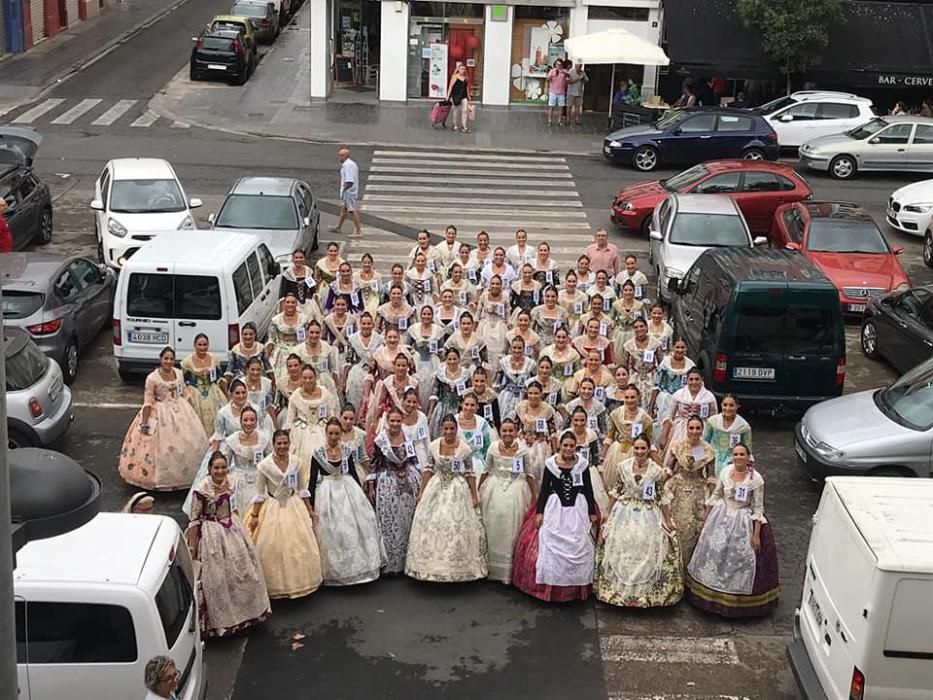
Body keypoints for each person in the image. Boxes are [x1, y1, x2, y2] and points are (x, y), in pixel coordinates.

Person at [686, 443, 780, 618]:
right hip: (721, 517)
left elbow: (758, 508)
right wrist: (706, 518)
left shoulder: (755, 479)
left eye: (741, 454)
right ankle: (709, 597)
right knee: (713, 556)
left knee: (737, 561)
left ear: (748, 457)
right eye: (736, 454)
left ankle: (736, 602)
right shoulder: (726, 472)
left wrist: (756, 534)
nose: (738, 457)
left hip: (742, 521)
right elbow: (716, 494)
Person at [187, 452, 271, 637]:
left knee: (246, 571)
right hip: (212, 534)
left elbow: (233, 507)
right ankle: (222, 622)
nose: (220, 471)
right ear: (209, 469)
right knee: (217, 579)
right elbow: (194, 519)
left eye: (223, 467)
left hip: (232, 528)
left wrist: (240, 527)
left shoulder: (232, 482)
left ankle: (247, 614)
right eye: (216, 468)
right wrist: (192, 547)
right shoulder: (202, 489)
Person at [595, 434, 683, 608]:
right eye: (637, 448)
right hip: (625, 510)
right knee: (619, 540)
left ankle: (645, 594)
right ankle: (618, 593)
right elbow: (616, 491)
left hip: (648, 511)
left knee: (647, 542)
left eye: (643, 448)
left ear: (649, 450)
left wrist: (667, 520)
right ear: (633, 449)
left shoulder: (655, 471)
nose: (640, 451)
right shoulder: (624, 467)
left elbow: (661, 497)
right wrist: (607, 512)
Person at [512, 430, 598, 602]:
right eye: (565, 445)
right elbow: (544, 489)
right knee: (547, 546)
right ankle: (550, 586)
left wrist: (591, 512)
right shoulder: (551, 464)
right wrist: (540, 512)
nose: (568, 449)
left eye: (571, 446)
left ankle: (576, 587)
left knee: (582, 546)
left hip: (577, 509)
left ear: (576, 447)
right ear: (560, 446)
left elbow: (588, 489)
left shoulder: (582, 465)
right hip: (555, 508)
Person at [405, 414, 487, 582]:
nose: (449, 432)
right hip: (436, 486)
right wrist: (422, 491)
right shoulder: (434, 446)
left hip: (457, 488)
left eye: (452, 429)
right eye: (446, 428)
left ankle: (456, 567)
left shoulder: (464, 449)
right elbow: (428, 468)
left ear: (456, 429)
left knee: (456, 525)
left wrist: (473, 494)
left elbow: (470, 473)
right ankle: (428, 566)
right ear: (442, 429)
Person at [247, 430, 323, 599]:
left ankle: (300, 581)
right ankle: (276, 584)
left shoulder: (296, 462)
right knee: (273, 547)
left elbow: (302, 489)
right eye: (279, 444)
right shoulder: (264, 466)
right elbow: (259, 493)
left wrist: (309, 510)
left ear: (289, 444)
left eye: (285, 443)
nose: (282, 446)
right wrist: (254, 515)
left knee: (298, 544)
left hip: (293, 505)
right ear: (273, 445)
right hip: (273, 507)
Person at [118, 346, 207, 491]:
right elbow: (148, 401)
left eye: (171, 359)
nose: (169, 361)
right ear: (161, 359)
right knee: (159, 448)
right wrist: (145, 422)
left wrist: (193, 411)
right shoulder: (152, 378)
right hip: (160, 413)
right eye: (166, 358)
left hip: (181, 411)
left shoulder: (178, 373)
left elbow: (184, 392)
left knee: (188, 443)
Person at [310, 418, 386, 585]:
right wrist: (310, 507)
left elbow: (352, 472)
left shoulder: (346, 451)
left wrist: (360, 495)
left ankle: (357, 568)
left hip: (348, 489)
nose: (334, 436)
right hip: (327, 493)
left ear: (340, 434)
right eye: (330, 433)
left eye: (337, 433)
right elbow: (312, 480)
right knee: (332, 531)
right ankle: (335, 571)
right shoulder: (318, 454)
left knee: (353, 527)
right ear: (326, 433)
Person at [368, 408, 422, 573]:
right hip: (387, 481)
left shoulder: (408, 437)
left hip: (408, 479)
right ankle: (391, 562)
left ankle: (407, 561)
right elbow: (373, 465)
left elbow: (414, 459)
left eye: (398, 421)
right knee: (389, 520)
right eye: (392, 421)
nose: (395, 424)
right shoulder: (380, 441)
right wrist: (371, 487)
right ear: (387, 421)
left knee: (407, 518)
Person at [480, 418, 534, 584]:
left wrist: (535, 496)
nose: (507, 434)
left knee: (512, 525)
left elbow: (530, 474)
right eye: (504, 431)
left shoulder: (523, 451)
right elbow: (486, 470)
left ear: (516, 432)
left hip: (517, 489)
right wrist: (476, 490)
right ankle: (491, 566)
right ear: (500, 432)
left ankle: (510, 569)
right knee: (492, 524)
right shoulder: (493, 447)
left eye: (511, 431)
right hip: (494, 487)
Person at [664, 416, 716, 567]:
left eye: (697, 428)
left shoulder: (707, 450)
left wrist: (712, 499)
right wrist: (660, 485)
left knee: (693, 529)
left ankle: (689, 567)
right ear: (686, 429)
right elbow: (669, 468)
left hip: (698, 490)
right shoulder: (678, 446)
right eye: (691, 428)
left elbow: (711, 476)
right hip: (678, 488)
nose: (694, 431)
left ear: (702, 430)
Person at [659, 368, 717, 457]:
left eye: (697, 379)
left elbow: (713, 419)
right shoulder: (678, 395)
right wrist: (664, 436)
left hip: (701, 430)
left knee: (698, 457)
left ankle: (697, 468)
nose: (694, 382)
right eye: (691, 379)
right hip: (681, 429)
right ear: (687, 380)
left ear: (702, 379)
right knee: (678, 454)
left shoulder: (709, 397)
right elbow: (669, 416)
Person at [181, 334, 228, 436]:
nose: (202, 347)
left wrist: (223, 384)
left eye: (205, 345)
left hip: (212, 390)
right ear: (195, 345)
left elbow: (218, 376)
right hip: (194, 392)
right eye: (200, 345)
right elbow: (183, 381)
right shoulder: (187, 362)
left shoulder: (214, 360)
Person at [704, 395, 753, 477]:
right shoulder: (712, 421)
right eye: (725, 405)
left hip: (733, 461)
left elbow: (748, 449)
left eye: (731, 405)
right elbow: (705, 442)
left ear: (737, 406)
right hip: (713, 459)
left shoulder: (743, 426)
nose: (728, 408)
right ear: (721, 405)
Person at [332, 147, 362, 236]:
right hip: (350, 191)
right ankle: (338, 227)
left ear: (345, 156)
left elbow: (349, 181)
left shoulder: (347, 165)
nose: (339, 157)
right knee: (344, 209)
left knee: (352, 210)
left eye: (341, 155)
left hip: (349, 192)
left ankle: (358, 231)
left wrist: (343, 190)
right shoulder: (351, 164)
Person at [447, 63, 472, 134]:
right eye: (461, 69)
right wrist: (448, 96)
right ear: (458, 70)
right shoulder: (455, 77)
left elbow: (466, 87)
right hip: (456, 95)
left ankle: (464, 126)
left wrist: (469, 96)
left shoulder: (465, 77)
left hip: (464, 96)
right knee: (456, 110)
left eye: (464, 69)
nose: (463, 70)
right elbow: (451, 87)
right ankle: (455, 124)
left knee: (465, 110)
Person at [546, 58, 569, 127]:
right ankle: (549, 121)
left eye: (560, 65)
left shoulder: (564, 71)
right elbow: (547, 80)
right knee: (551, 107)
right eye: (557, 64)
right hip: (553, 92)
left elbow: (569, 75)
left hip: (561, 92)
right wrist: (551, 76)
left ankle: (559, 121)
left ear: (562, 65)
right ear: (555, 65)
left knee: (561, 107)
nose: (558, 66)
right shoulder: (552, 71)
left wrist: (563, 72)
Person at [566, 61, 588, 125]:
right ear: (575, 66)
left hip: (579, 92)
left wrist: (583, 79)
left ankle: (577, 120)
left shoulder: (583, 72)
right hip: (571, 92)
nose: (579, 68)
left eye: (580, 66)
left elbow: (586, 81)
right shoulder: (570, 72)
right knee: (569, 106)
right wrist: (578, 78)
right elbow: (568, 81)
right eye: (578, 66)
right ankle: (568, 119)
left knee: (577, 107)